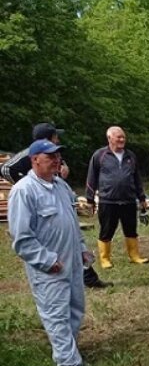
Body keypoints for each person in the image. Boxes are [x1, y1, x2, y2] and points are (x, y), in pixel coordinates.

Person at [8, 139, 93, 366]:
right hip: (49, 267)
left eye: (58, 156)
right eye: (50, 156)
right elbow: (22, 238)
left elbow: (72, 224)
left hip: (72, 261)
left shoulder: (60, 187)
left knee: (75, 309)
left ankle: (69, 348)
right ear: (35, 160)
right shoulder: (24, 191)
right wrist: (47, 260)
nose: (57, 160)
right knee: (56, 314)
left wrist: (82, 249)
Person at [2, 123, 110, 289]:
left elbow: (60, 170)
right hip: (40, 208)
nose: (58, 139)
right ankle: (82, 278)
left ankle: (87, 277)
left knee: (71, 238)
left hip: (57, 195)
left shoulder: (55, 154)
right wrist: (22, 183)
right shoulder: (29, 157)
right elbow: (6, 168)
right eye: (55, 136)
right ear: (48, 138)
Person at [85, 126, 149, 268]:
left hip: (128, 200)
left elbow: (137, 178)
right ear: (109, 138)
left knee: (131, 229)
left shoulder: (131, 156)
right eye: (118, 137)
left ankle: (134, 256)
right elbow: (91, 177)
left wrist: (142, 197)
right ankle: (105, 258)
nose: (121, 140)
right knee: (107, 230)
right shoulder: (99, 155)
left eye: (123, 137)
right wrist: (90, 199)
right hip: (108, 200)